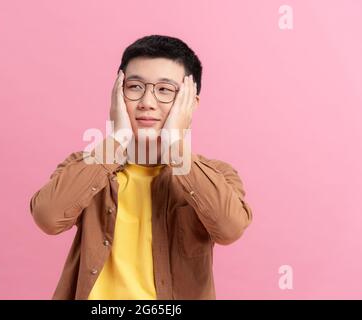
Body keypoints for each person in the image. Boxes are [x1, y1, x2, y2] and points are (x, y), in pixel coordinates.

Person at [29, 35, 253, 300]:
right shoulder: (87, 165)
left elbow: (229, 228)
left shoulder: (217, 175)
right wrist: (117, 140)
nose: (147, 102)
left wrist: (174, 145)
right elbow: (48, 217)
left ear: (191, 103)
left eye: (165, 90)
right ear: (117, 94)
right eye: (135, 87)